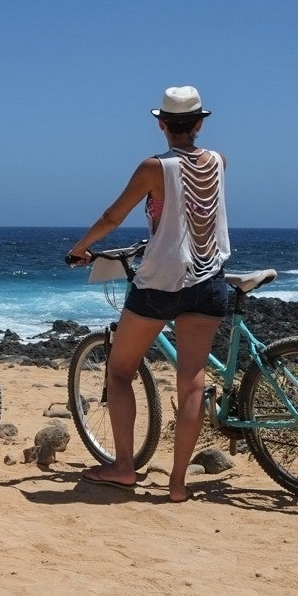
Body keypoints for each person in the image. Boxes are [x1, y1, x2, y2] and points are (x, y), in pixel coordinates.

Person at [67, 85, 230, 503]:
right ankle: (177, 485)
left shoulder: (153, 167)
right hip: (209, 280)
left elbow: (112, 216)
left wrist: (80, 248)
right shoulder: (219, 162)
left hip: (160, 284)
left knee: (120, 371)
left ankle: (123, 468)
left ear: (162, 124)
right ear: (199, 123)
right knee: (192, 383)